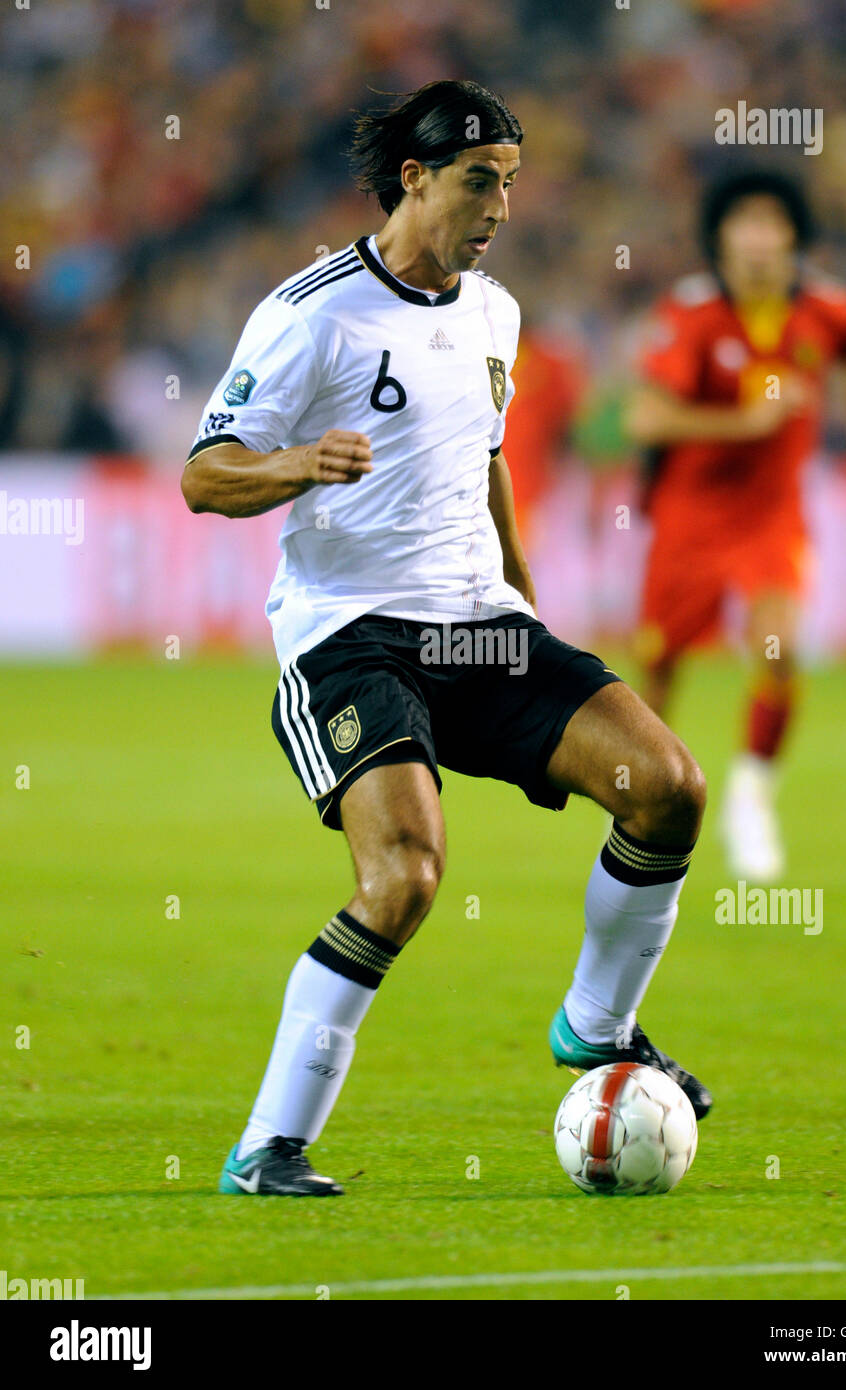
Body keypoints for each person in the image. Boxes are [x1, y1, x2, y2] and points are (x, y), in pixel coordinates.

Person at [182, 80, 710, 1198]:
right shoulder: (309, 314)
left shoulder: (493, 313)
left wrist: (521, 593)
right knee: (407, 875)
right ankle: (268, 1144)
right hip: (351, 637)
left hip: (480, 626)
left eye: (510, 184)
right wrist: (298, 465)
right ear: (413, 178)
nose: (500, 209)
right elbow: (202, 473)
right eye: (481, 181)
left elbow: (485, 451)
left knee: (666, 786)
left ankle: (595, 1025)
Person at [628, 169, 846, 882]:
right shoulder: (691, 313)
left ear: (792, 236)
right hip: (689, 518)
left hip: (770, 520)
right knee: (657, 670)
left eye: (771, 222)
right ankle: (643, 805)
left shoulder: (827, 310)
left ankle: (750, 798)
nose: (757, 237)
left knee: (776, 649)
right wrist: (740, 422)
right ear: (718, 237)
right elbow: (644, 417)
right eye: (742, 221)